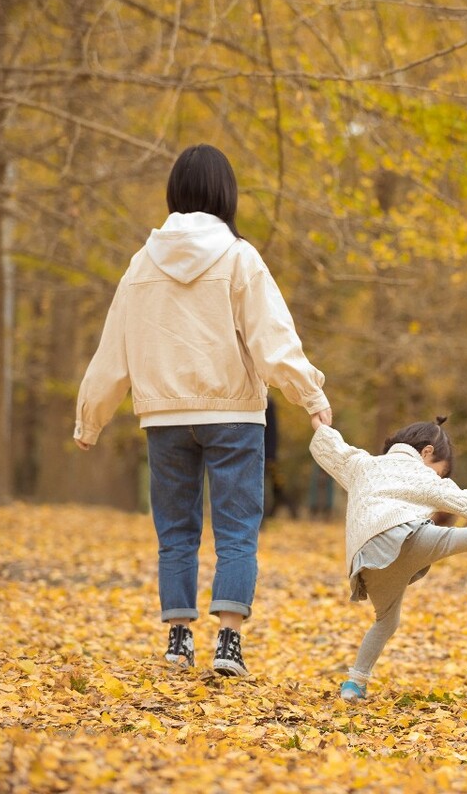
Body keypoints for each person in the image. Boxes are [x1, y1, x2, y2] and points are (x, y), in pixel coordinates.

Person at [74, 144, 332, 678]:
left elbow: (113, 348)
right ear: (225, 193)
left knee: (176, 531)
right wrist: (310, 396)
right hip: (235, 414)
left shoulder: (142, 264)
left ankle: (177, 640)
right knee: (237, 530)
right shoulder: (240, 257)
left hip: (165, 417)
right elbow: (273, 340)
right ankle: (228, 643)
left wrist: (90, 418)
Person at [309, 416, 467, 703]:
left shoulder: (363, 465)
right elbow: (462, 500)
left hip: (367, 560)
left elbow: (333, 449)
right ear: (426, 452)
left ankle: (355, 683)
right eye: (439, 471)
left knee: (386, 621)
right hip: (401, 537)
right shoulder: (421, 474)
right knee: (447, 539)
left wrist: (318, 418)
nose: (437, 476)